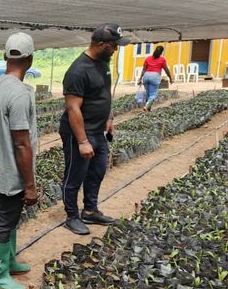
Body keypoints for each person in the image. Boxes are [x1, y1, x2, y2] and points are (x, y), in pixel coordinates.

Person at [60, 23, 129, 235]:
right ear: (100, 44)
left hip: (98, 130)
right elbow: (72, 108)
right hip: (79, 132)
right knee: (75, 175)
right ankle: (72, 216)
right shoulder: (78, 71)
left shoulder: (102, 63)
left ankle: (90, 211)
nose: (116, 49)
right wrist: (82, 141)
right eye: (113, 45)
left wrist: (108, 117)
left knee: (97, 171)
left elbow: (103, 93)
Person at [0, 33, 38, 289]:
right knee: (4, 221)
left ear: (5, 57)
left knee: (9, 217)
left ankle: (10, 261)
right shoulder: (19, 94)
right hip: (11, 171)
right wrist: (30, 184)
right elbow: (21, 144)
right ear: (30, 59)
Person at [138, 45, 173, 112]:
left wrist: (140, 78)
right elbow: (166, 69)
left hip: (146, 76)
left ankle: (148, 110)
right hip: (155, 76)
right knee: (153, 94)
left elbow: (144, 69)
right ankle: (146, 107)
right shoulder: (162, 59)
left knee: (148, 93)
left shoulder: (147, 58)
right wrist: (170, 78)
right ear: (161, 52)